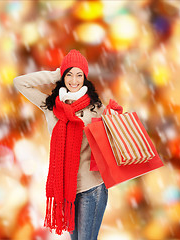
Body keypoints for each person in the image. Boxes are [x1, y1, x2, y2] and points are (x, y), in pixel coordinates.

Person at [13, 49, 108, 240]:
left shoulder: (96, 108)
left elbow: (113, 137)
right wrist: (56, 73)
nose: (74, 80)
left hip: (93, 188)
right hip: (68, 192)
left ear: (85, 78)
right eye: (69, 74)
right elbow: (19, 83)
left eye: (79, 75)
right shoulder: (51, 107)